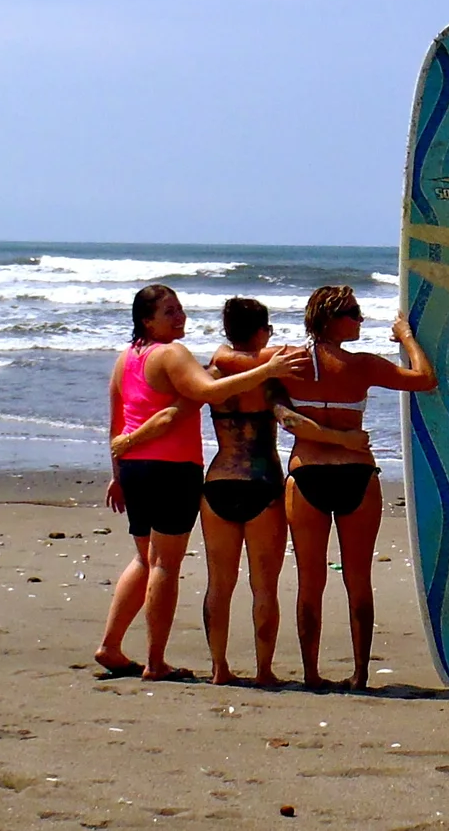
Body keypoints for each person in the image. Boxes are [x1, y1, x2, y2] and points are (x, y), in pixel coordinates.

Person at [95, 284, 299, 681]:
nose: (180, 317)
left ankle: (111, 645)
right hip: (171, 468)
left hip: (135, 468)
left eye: (180, 309)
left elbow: (117, 422)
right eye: (170, 312)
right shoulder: (171, 353)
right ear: (146, 320)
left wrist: (117, 472)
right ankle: (155, 662)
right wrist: (269, 370)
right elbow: (207, 391)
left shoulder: (126, 359)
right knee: (165, 566)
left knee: (144, 559)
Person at [195, 297, 364, 686]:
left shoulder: (215, 370)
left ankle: (219, 667)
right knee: (263, 586)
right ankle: (263, 670)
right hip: (263, 484)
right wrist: (343, 438)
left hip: (219, 480)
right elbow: (289, 420)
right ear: (260, 332)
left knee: (219, 583)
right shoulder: (269, 378)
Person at [281, 284, 435, 689]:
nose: (361, 319)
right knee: (357, 577)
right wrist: (407, 338)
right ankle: (360, 673)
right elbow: (425, 378)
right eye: (353, 313)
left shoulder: (289, 363)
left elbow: (242, 377)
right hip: (356, 475)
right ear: (330, 319)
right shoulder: (363, 366)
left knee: (310, 578)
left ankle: (312, 673)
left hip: (306, 474)